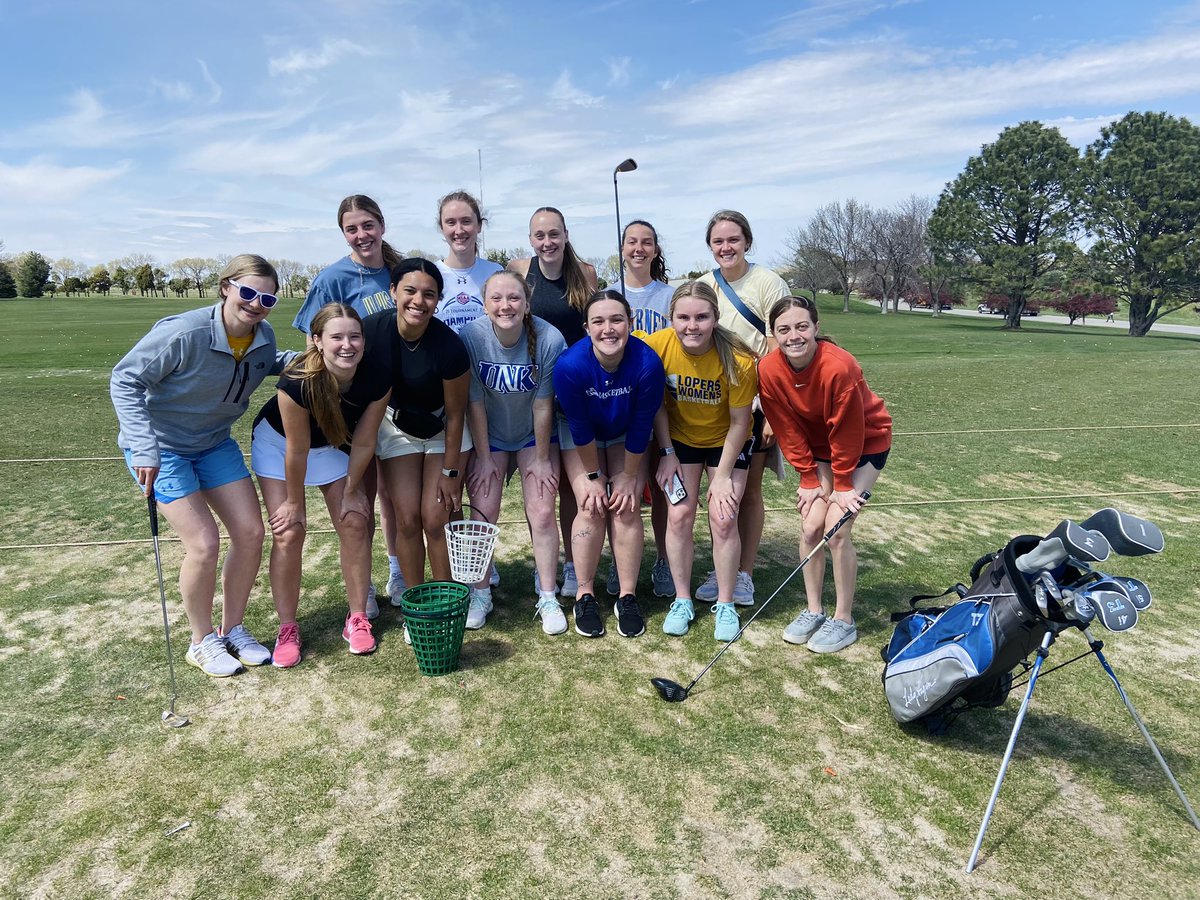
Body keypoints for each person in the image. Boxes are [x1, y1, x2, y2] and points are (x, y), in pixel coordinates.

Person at [111, 255, 289, 677]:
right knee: (204, 544)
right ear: (226, 287)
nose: (255, 303)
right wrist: (143, 447)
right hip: (162, 450)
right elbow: (125, 379)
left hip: (213, 444)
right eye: (247, 292)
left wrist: (318, 354)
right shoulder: (183, 332)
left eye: (266, 297)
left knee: (250, 533)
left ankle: (233, 629)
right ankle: (201, 640)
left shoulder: (262, 336)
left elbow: (269, 362)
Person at [250, 304, 392, 665]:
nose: (347, 345)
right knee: (289, 530)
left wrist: (349, 492)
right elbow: (296, 451)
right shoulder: (296, 381)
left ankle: (357, 617)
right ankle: (287, 628)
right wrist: (294, 504)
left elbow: (363, 442)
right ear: (317, 341)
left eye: (355, 336)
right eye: (337, 337)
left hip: (331, 444)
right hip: (279, 445)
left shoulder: (377, 376)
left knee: (355, 520)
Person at [291, 194, 406, 616]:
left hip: (396, 400)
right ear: (343, 234)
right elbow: (313, 342)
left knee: (396, 495)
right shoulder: (332, 278)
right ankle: (366, 585)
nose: (361, 235)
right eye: (351, 229)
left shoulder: (397, 271)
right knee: (361, 496)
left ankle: (396, 570)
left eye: (367, 225)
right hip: (350, 405)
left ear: (381, 225)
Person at [758, 296, 892, 654]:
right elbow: (786, 428)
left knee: (835, 531)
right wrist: (808, 479)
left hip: (865, 444)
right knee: (810, 528)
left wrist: (843, 486)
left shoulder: (839, 366)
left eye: (802, 326)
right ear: (774, 334)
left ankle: (844, 619)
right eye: (784, 329)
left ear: (816, 328)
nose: (794, 336)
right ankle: (813, 610)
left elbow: (848, 429)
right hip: (820, 452)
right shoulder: (768, 370)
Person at [646, 282, 757, 640]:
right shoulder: (656, 346)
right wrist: (666, 453)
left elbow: (741, 422)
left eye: (701, 317)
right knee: (679, 515)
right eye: (683, 318)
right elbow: (657, 406)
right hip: (680, 441)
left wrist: (723, 475)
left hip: (727, 441)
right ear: (671, 318)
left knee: (724, 518)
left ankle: (725, 603)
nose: (691, 326)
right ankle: (682, 599)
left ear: (715, 318)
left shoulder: (738, 358)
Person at [460, 271, 568, 634]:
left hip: (533, 435)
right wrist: (485, 456)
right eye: (497, 298)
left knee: (540, 511)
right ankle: (479, 591)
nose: (505, 305)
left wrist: (539, 458)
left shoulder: (549, 337)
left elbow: (543, 404)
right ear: (485, 302)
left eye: (514, 298)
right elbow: (473, 401)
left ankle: (548, 593)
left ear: (526, 302)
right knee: (483, 511)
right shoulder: (472, 335)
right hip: (489, 433)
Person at [553, 290, 664, 638]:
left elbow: (643, 424)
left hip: (625, 431)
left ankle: (627, 596)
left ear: (630, 323)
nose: (609, 328)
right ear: (586, 328)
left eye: (617, 319)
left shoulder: (647, 363)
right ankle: (585, 594)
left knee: (626, 505)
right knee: (591, 502)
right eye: (598, 321)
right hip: (579, 432)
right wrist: (593, 476)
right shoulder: (571, 365)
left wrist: (630, 475)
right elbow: (581, 429)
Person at [695, 210, 790, 608]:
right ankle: (722, 569)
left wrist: (769, 413)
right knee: (716, 493)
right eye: (718, 241)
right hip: (706, 405)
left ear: (747, 241)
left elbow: (777, 348)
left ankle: (744, 573)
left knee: (747, 492)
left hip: (752, 406)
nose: (726, 247)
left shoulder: (768, 283)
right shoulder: (702, 285)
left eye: (733, 239)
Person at [362, 258, 470, 597]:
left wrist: (451, 473)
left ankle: (445, 599)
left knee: (435, 519)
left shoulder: (449, 345)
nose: (418, 301)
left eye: (429, 294)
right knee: (407, 518)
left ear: (438, 301)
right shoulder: (371, 331)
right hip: (397, 429)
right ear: (393, 291)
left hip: (443, 430)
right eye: (409, 290)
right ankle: (416, 602)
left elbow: (455, 415)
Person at [509, 207, 598, 598]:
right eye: (539, 235)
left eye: (554, 234)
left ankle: (574, 564)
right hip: (536, 391)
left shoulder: (586, 272)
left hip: (576, 391)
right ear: (530, 239)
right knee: (544, 485)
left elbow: (594, 325)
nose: (547, 242)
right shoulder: (518, 268)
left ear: (565, 235)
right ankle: (545, 562)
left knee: (571, 486)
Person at [614, 219, 676, 600]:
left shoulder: (670, 296)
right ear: (621, 248)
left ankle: (665, 561)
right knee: (625, 489)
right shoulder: (608, 293)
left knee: (663, 488)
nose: (639, 248)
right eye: (632, 242)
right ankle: (621, 563)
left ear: (655, 250)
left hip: (665, 403)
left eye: (647, 242)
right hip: (620, 405)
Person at [434, 190, 503, 335]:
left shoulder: (495, 273)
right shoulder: (431, 275)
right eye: (451, 222)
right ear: (442, 228)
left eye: (466, 221)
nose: (459, 230)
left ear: (479, 226)